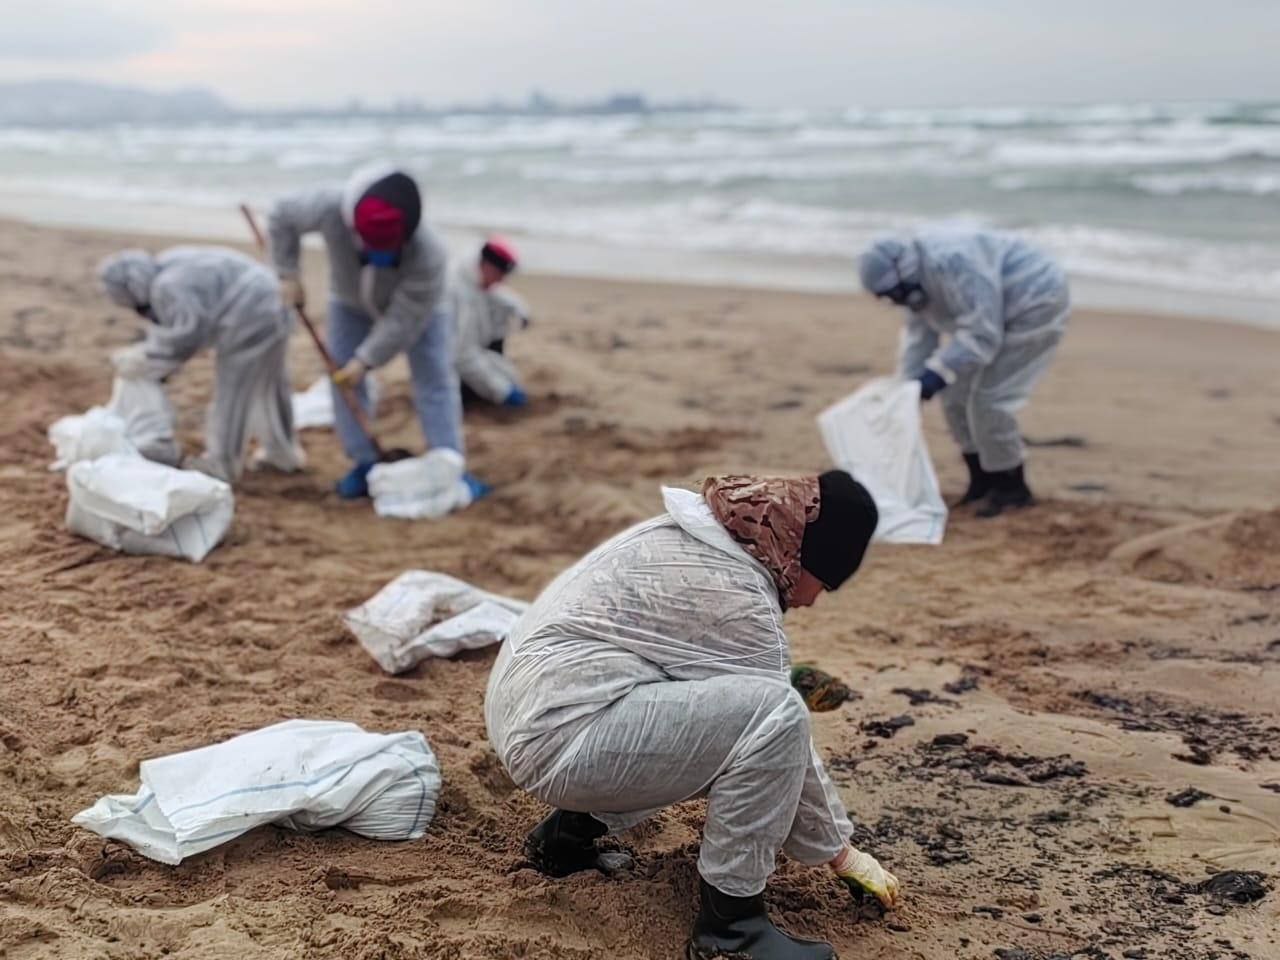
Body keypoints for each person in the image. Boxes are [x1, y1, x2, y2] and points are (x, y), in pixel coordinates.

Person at [485, 471, 900, 960]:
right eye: (825, 582)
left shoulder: (702, 534)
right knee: (776, 714)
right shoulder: (740, 597)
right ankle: (732, 930)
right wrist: (840, 853)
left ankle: (563, 839)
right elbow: (782, 738)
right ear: (803, 554)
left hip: (532, 709)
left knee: (697, 706)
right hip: (561, 739)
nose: (812, 599)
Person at [267, 163, 481, 501]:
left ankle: (449, 461)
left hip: (422, 308)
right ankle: (363, 462)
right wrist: (287, 273)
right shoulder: (329, 206)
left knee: (435, 377)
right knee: (341, 375)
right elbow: (281, 215)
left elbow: (404, 319)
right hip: (348, 301)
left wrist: (366, 360)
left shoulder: (430, 253)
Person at [859, 227, 1070, 517]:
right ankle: (982, 482)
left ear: (905, 276)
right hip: (995, 313)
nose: (897, 302)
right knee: (955, 396)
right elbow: (920, 340)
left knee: (990, 400)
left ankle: (1012, 488)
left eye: (897, 295)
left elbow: (983, 333)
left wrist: (934, 375)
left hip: (1034, 301)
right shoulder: (915, 284)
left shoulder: (955, 263)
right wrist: (906, 389)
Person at [97, 246, 302, 483]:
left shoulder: (167, 287)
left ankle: (221, 463)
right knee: (270, 384)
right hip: (273, 297)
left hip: (250, 313)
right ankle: (282, 453)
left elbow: (186, 335)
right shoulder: (169, 262)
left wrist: (148, 361)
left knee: (233, 389)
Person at [448, 237, 532, 408]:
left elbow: (497, 293)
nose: (502, 281)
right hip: (450, 361)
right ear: (487, 266)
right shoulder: (459, 295)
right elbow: (464, 357)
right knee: (479, 388)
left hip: (469, 349)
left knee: (508, 375)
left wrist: (520, 310)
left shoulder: (473, 275)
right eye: (500, 275)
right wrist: (502, 391)